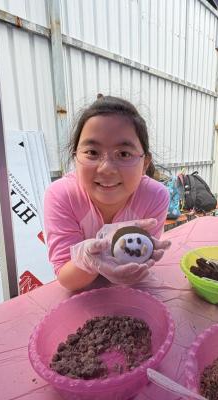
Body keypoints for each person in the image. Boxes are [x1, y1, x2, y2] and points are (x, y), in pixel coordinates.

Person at [44, 95, 171, 291]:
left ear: (145, 163)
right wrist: (90, 260)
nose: (106, 169)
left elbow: (140, 263)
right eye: (92, 152)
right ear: (75, 157)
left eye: (124, 154)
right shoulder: (62, 196)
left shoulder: (155, 196)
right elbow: (67, 278)